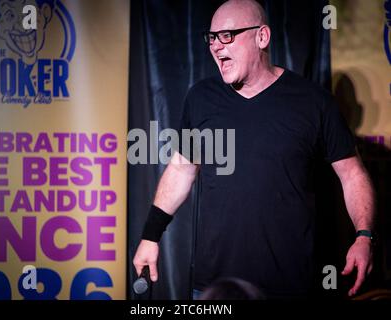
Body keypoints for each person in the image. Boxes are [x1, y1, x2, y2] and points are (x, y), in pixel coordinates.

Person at [133, 0, 375, 299]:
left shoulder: (313, 102)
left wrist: (364, 236)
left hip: (290, 286)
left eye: (227, 35)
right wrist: (150, 235)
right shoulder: (202, 98)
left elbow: (352, 174)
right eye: (211, 37)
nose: (216, 46)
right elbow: (182, 169)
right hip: (215, 287)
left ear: (262, 37)